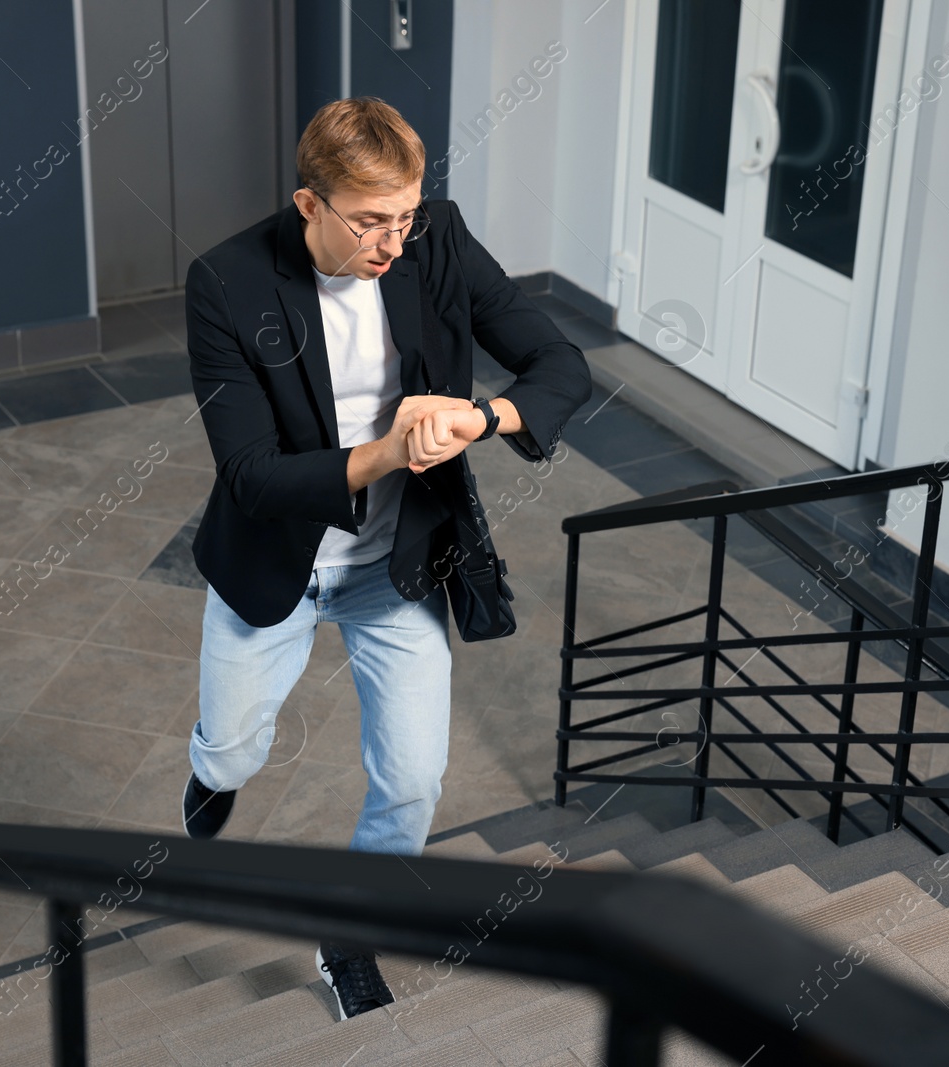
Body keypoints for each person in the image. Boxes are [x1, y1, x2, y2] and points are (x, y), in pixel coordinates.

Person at [179, 96, 591, 1020]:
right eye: (370, 222)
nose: (393, 243)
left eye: (405, 216)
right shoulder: (229, 282)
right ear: (308, 203)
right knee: (238, 751)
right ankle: (212, 770)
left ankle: (352, 931)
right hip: (274, 564)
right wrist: (393, 451)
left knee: (412, 778)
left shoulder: (436, 239)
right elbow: (251, 476)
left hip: (395, 564)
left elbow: (561, 364)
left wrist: (477, 418)